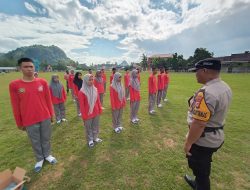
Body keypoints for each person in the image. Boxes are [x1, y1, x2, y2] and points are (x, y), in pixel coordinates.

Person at [184, 58, 232, 190]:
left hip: (203, 140)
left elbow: (199, 124)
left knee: (200, 169)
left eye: (196, 71)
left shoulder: (207, 93)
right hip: (215, 135)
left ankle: (201, 184)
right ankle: (198, 183)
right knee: (203, 165)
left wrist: (188, 142)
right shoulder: (224, 87)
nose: (195, 74)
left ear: (205, 70)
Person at [9, 57, 57, 173]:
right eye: (26, 67)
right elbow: (15, 105)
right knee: (35, 140)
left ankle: (47, 155)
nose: (29, 69)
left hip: (44, 116)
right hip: (29, 119)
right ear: (20, 68)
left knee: (46, 137)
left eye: (31, 66)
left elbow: (48, 100)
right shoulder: (15, 85)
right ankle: (39, 159)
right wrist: (19, 123)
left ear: (34, 67)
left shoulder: (42, 82)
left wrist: (51, 115)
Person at [78, 74, 103, 148]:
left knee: (96, 125)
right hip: (87, 113)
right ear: (85, 80)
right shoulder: (82, 92)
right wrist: (84, 115)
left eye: (92, 80)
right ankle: (90, 140)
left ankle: (95, 137)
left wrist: (100, 109)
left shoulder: (95, 89)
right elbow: (82, 106)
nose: (91, 81)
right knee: (88, 127)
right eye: (89, 80)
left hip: (96, 111)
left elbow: (98, 101)